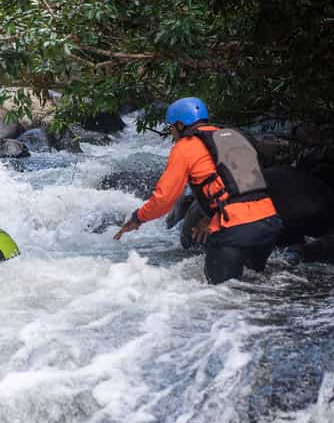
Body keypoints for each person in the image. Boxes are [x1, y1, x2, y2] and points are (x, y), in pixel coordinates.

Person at [113, 97, 283, 284]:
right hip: (268, 223)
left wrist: (138, 218)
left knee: (220, 295)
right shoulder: (233, 136)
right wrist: (209, 216)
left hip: (235, 229)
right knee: (256, 287)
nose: (172, 133)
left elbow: (164, 199)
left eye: (171, 127)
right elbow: (239, 186)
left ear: (179, 125)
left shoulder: (186, 147)